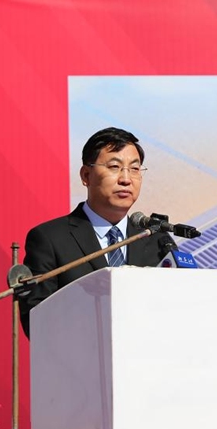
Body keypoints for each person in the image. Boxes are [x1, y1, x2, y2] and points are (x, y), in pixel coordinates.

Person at [19, 127, 173, 338]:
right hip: (79, 364)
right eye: (114, 167)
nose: (126, 179)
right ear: (86, 175)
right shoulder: (50, 239)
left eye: (135, 169)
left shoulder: (156, 239)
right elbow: (36, 323)